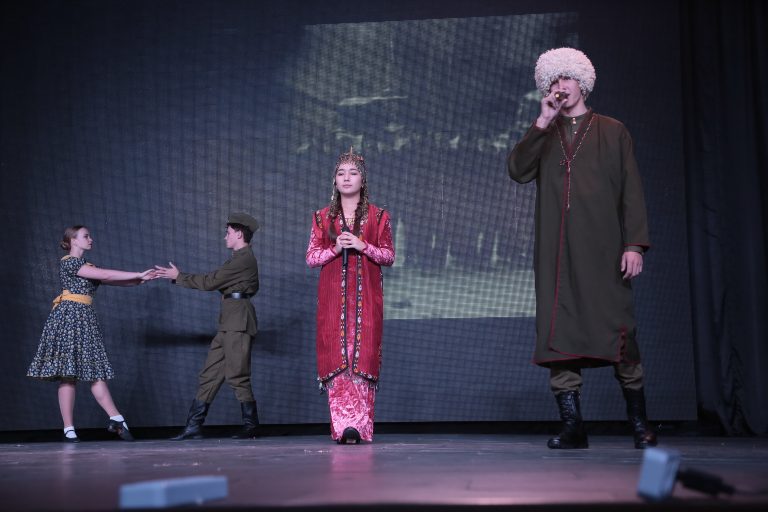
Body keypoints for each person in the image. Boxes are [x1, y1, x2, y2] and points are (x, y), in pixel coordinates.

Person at [507, 48, 657, 449]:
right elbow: (518, 171)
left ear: (583, 83)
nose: (562, 87)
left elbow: (631, 191)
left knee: (619, 333)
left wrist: (634, 244)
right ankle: (573, 426)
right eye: (554, 81)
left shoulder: (612, 130)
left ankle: (639, 423)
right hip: (557, 254)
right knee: (559, 333)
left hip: (604, 250)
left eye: (568, 79)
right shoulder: (545, 132)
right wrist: (542, 122)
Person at [27, 226, 155, 442]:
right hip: (69, 319)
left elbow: (111, 279)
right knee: (68, 375)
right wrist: (137, 274)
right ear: (73, 240)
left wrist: (140, 279)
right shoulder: (69, 262)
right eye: (86, 236)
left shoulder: (88, 266)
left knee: (94, 370)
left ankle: (116, 418)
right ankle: (70, 428)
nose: (91, 239)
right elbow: (105, 274)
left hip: (85, 319)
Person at [306, 147, 395, 444]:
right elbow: (311, 257)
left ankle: (359, 427)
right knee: (337, 356)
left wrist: (362, 246)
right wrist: (335, 249)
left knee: (363, 356)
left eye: (353, 173)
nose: (346, 178)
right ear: (334, 180)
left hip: (366, 300)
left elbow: (388, 256)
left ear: (362, 180)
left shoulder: (379, 217)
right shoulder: (322, 218)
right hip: (333, 300)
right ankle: (342, 427)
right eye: (341, 173)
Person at [154, 213, 260, 440]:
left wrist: (179, 276)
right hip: (229, 322)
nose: (225, 237)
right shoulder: (238, 259)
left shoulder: (243, 259)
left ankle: (251, 426)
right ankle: (193, 426)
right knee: (209, 375)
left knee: (237, 374)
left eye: (228, 233)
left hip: (238, 322)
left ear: (238, 234)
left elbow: (210, 282)